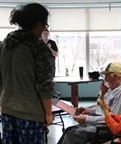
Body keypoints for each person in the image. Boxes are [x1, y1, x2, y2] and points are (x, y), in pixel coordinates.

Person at [0, 3, 53, 144]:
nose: (44, 29)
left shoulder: (5, 44)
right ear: (38, 23)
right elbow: (45, 86)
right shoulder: (39, 48)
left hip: (7, 111)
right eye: (45, 25)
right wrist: (48, 114)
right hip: (30, 114)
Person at [57, 62, 121, 144]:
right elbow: (104, 109)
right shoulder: (114, 89)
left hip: (108, 130)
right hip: (104, 124)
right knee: (69, 130)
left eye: (107, 75)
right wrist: (89, 110)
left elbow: (113, 119)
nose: (106, 79)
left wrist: (86, 119)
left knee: (72, 134)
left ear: (116, 75)